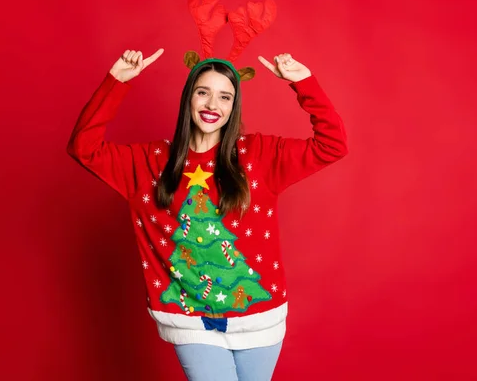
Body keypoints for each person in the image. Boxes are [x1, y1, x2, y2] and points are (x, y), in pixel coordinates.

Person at [67, 46, 348, 380]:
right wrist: (117, 82)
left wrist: (304, 83)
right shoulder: (149, 162)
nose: (213, 105)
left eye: (225, 97)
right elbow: (83, 148)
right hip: (191, 319)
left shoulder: (259, 155)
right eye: (203, 92)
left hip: (259, 319)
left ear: (234, 106)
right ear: (189, 97)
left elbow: (333, 144)